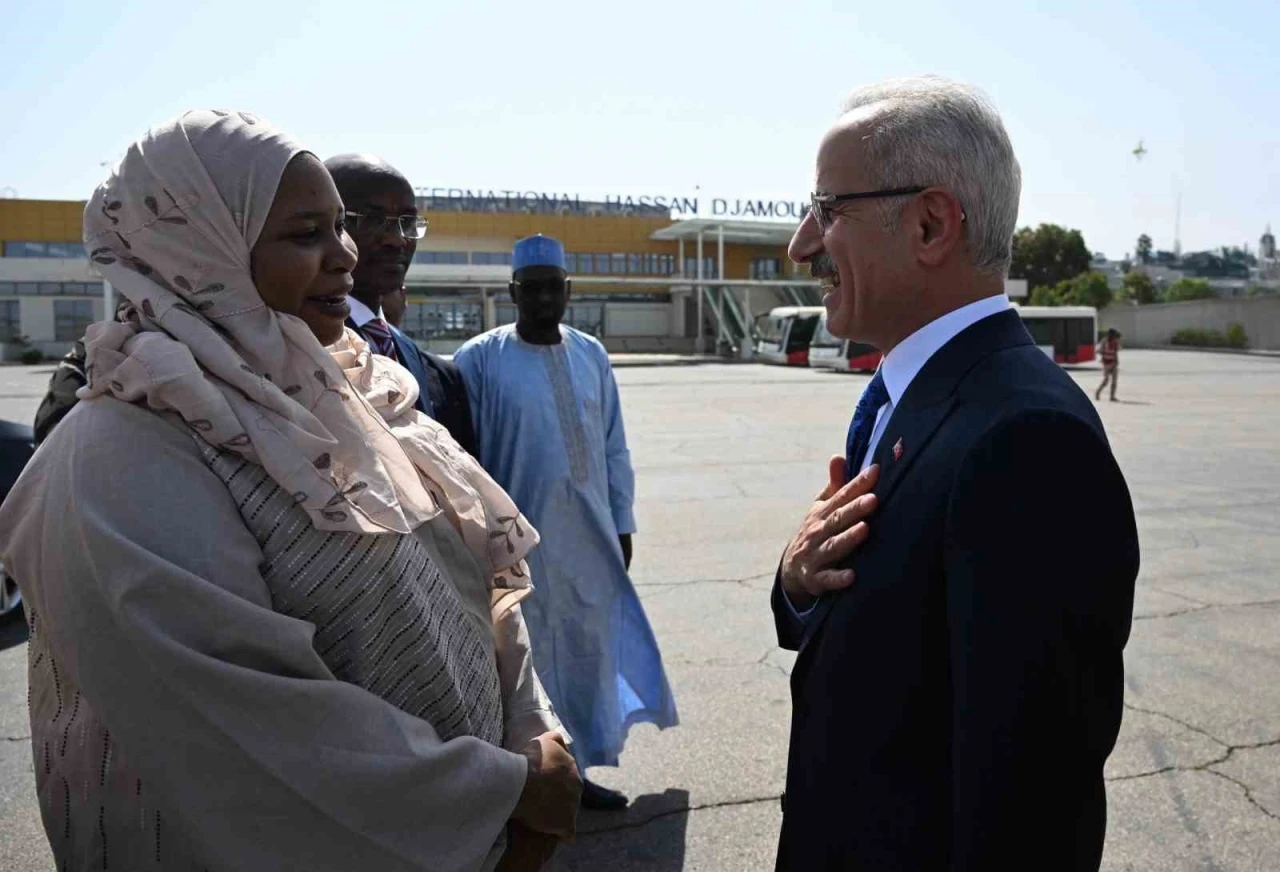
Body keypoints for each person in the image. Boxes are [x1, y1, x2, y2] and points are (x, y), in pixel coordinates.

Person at [0, 110, 580, 872]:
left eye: (342, 227)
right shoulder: (116, 455)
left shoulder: (353, 398)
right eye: (307, 234)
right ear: (198, 249)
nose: (347, 256)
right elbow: (242, 730)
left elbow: (473, 586)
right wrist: (501, 797)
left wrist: (534, 733)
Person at [772, 77, 1139, 871]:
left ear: (931, 224)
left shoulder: (1026, 441)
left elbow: (1030, 813)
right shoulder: (904, 400)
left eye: (827, 209)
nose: (802, 244)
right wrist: (798, 582)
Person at [453, 235, 678, 811]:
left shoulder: (591, 355)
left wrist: (622, 523)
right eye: (532, 289)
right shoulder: (478, 359)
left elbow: (614, 449)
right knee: (529, 661)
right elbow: (462, 458)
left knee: (585, 651)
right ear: (512, 293)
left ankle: (575, 774)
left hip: (591, 537)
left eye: (554, 287)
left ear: (568, 291)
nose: (544, 298)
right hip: (517, 544)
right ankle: (528, 782)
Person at [324, 154, 478, 457]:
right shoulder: (302, 345)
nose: (397, 240)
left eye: (407, 222)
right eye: (373, 220)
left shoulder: (420, 361)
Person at [1097, 327, 1121, 401]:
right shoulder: (1104, 341)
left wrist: (1117, 361)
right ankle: (1098, 392)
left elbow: (1116, 352)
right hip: (1106, 363)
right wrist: (1103, 353)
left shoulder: (1116, 342)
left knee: (1114, 381)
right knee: (1106, 380)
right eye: (1112, 334)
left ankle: (1112, 396)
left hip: (1113, 363)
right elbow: (1099, 351)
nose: (1113, 336)